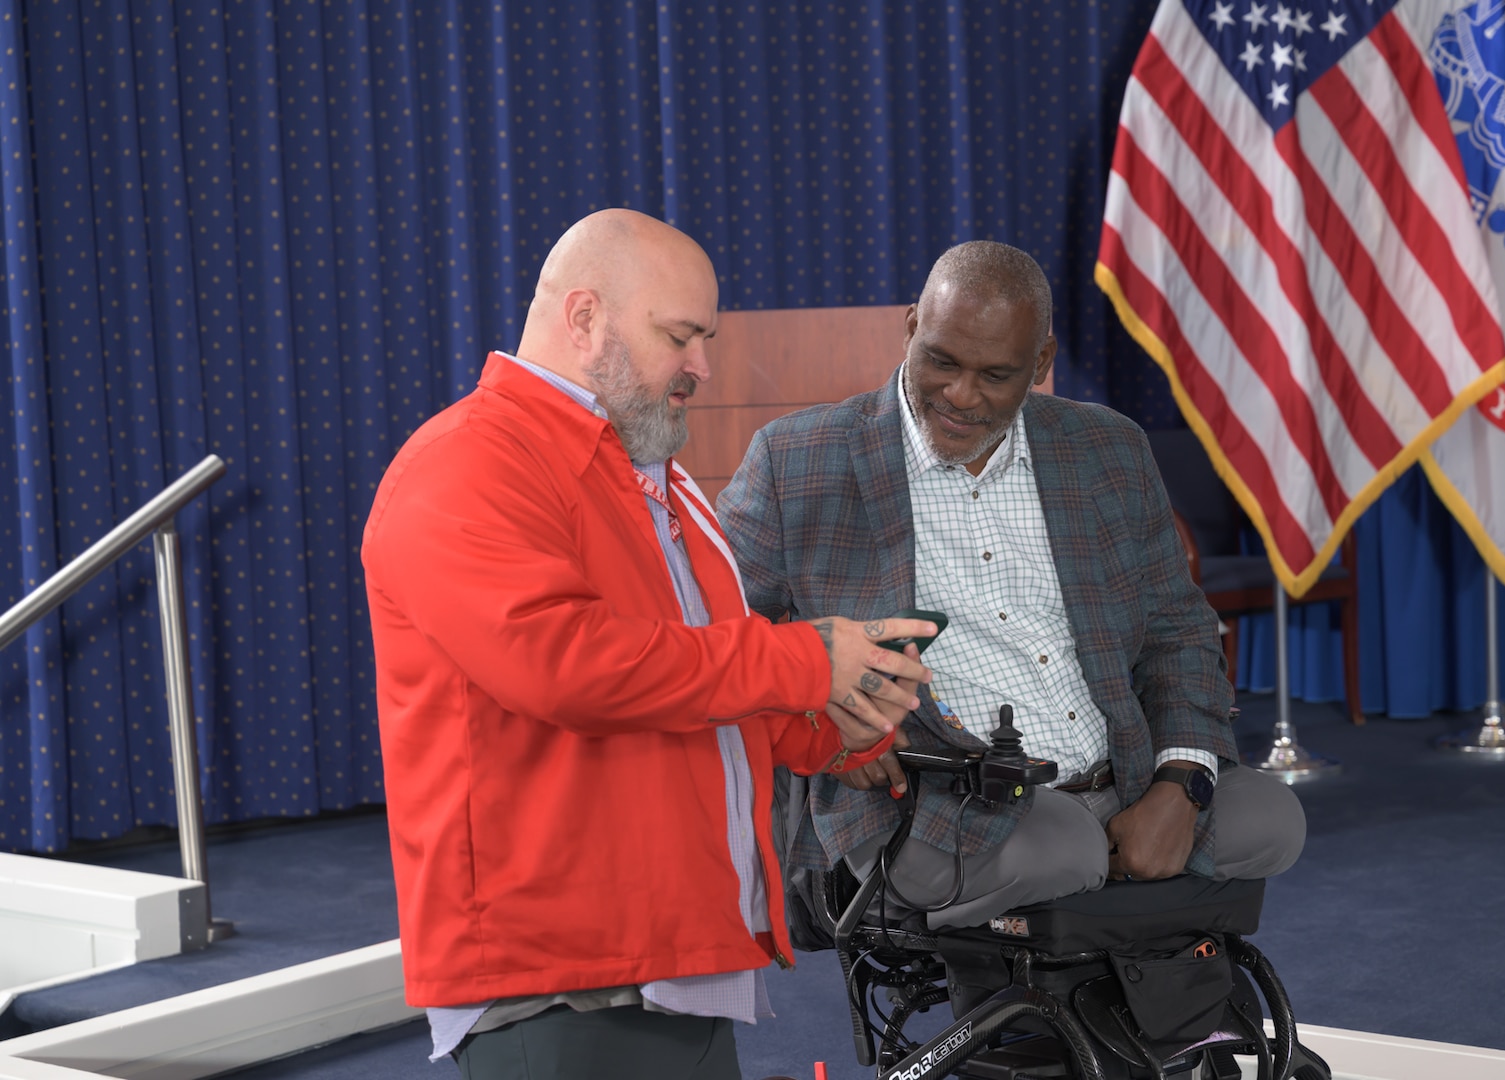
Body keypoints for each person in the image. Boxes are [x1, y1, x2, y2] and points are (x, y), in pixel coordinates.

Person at [361, 208, 938, 1080]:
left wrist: (837, 726)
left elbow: (693, 685)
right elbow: (569, 669)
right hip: (558, 972)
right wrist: (805, 660)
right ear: (585, 318)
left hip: (673, 953)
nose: (702, 364)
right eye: (681, 336)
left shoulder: (648, 477)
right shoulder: (464, 464)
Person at [716, 240, 1305, 931]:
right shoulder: (798, 459)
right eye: (940, 360)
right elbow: (719, 637)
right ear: (911, 328)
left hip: (1126, 778)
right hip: (939, 800)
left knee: (1273, 819)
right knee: (1062, 846)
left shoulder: (1108, 447)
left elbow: (1179, 629)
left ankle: (1110, 888)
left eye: (995, 375)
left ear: (1042, 365)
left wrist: (1182, 782)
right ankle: (1099, 889)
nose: (961, 396)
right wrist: (818, 717)